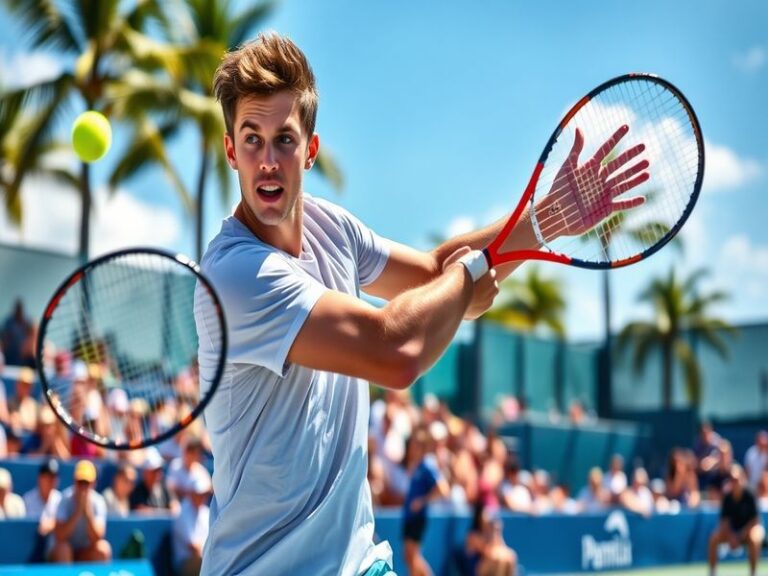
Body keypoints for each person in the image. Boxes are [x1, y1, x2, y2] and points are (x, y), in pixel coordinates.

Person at [195, 32, 649, 576]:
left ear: (310, 149)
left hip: (359, 564)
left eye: (284, 140)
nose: (267, 160)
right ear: (230, 151)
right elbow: (397, 350)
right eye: (252, 140)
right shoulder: (234, 274)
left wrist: (548, 218)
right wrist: (469, 275)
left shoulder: (330, 226)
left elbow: (436, 277)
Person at [402, 428, 450, 576]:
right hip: (410, 517)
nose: (413, 447)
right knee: (410, 556)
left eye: (417, 444)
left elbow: (443, 489)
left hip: (417, 517)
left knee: (412, 555)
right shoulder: (417, 466)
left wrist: (422, 501)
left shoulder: (427, 465)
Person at [49, 460, 111, 563]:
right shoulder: (64, 499)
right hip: (64, 551)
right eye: (80, 482)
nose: (83, 487)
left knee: (103, 548)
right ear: (74, 481)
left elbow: (97, 537)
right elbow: (60, 536)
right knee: (64, 549)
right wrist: (77, 513)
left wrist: (87, 512)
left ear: (94, 483)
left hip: (84, 552)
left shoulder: (99, 502)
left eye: (86, 483)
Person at [708, 464, 764, 576]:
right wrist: (731, 536)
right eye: (732, 480)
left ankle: (753, 573)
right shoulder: (727, 498)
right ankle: (712, 572)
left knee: (755, 538)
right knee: (713, 538)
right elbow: (724, 522)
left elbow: (754, 521)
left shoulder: (750, 495)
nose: (735, 482)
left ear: (742, 479)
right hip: (732, 532)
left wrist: (741, 535)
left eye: (737, 479)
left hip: (748, 530)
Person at [461, 503, 518, 576]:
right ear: (479, 516)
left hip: (491, 562)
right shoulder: (473, 535)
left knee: (510, 556)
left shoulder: (490, 531)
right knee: (497, 559)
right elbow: (488, 552)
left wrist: (497, 532)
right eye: (485, 514)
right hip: (475, 569)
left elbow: (502, 547)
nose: (487, 517)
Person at [173, 472, 212, 576]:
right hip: (184, 563)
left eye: (203, 494)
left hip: (204, 557)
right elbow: (193, 547)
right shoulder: (182, 513)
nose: (201, 497)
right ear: (191, 493)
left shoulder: (207, 512)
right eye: (197, 493)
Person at [129, 446, 179, 515]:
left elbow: (175, 508)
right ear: (145, 472)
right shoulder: (137, 491)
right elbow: (141, 511)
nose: (158, 473)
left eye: (159, 470)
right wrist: (166, 512)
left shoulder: (164, 486)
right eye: (154, 471)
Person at [23, 458, 62, 537]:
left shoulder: (60, 499)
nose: (51, 480)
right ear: (40, 478)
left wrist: (52, 524)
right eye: (47, 476)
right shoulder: (27, 499)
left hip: (53, 544)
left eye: (53, 477)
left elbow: (64, 523)